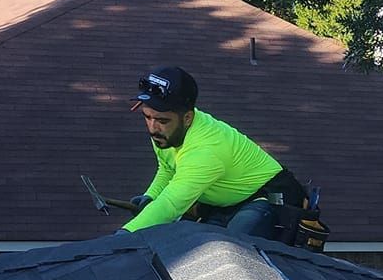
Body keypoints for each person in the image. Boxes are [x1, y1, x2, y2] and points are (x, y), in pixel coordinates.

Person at [121, 66, 306, 239]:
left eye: (162, 120)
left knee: (232, 248)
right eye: (147, 117)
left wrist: (123, 235)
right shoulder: (166, 134)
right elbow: (168, 168)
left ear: (187, 118)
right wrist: (150, 196)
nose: (153, 128)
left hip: (268, 196)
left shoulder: (205, 150)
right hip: (227, 204)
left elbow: (171, 204)